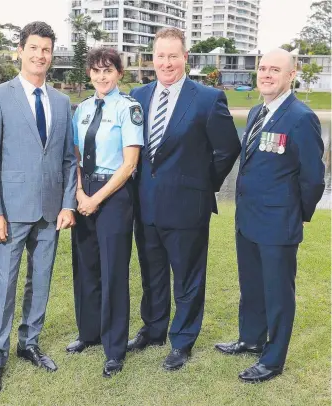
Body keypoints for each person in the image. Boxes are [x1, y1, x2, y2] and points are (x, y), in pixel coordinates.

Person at [127, 27, 241, 371]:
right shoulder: (138, 95)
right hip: (145, 204)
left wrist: (203, 185)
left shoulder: (207, 99)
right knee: (152, 274)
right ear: (153, 59)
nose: (166, 62)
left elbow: (227, 148)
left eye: (173, 56)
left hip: (188, 207)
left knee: (188, 278)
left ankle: (182, 340)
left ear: (185, 58)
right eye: (160, 56)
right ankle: (153, 329)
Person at [0, 21, 77, 398]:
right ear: (20, 51)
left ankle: (29, 342)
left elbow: (68, 160)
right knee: (6, 283)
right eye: (33, 48)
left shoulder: (63, 102)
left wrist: (68, 203)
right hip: (11, 210)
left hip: (51, 210)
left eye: (46, 50)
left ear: (52, 55)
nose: (40, 56)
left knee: (42, 280)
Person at [215, 48, 325, 383]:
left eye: (274, 69)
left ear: (291, 75)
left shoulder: (301, 117)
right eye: (262, 68)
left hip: (278, 225)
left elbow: (313, 179)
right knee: (251, 286)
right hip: (247, 220)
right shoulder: (256, 113)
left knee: (277, 293)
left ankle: (273, 359)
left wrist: (294, 215)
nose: (266, 74)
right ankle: (250, 338)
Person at [66, 47, 144, 378]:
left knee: (113, 271)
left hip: (114, 195)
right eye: (96, 70)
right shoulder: (81, 109)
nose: (102, 76)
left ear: (119, 74)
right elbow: (75, 156)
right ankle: (89, 333)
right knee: (86, 266)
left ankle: (114, 348)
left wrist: (96, 197)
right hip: (85, 193)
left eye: (108, 70)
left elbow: (129, 164)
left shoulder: (129, 108)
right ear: (89, 74)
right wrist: (81, 193)